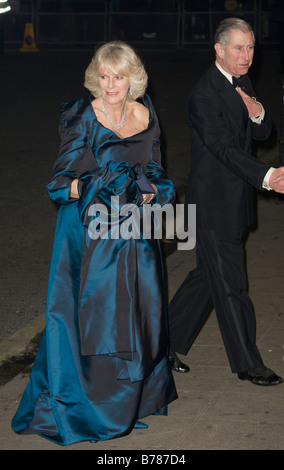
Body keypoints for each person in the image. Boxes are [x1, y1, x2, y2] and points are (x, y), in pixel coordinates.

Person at [11, 41, 177, 446]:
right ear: (95, 78)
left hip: (134, 233)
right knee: (89, 320)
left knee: (139, 316)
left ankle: (129, 402)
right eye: (103, 76)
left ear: (132, 78)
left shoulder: (146, 113)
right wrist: (100, 183)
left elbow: (154, 171)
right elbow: (57, 185)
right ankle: (88, 408)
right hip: (86, 236)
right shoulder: (82, 117)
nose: (110, 84)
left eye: (118, 76)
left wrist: (147, 189)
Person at [168, 18, 284, 386]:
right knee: (232, 284)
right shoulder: (204, 95)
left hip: (234, 201)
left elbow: (262, 133)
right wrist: (266, 176)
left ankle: (159, 344)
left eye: (250, 47)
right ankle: (249, 363)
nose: (246, 56)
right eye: (238, 48)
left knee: (207, 279)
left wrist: (258, 112)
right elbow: (222, 149)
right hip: (212, 206)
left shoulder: (241, 81)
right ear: (218, 49)